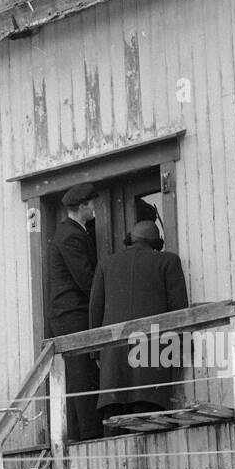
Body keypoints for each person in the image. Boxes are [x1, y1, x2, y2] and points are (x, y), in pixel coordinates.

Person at [89, 219, 189, 421]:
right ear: (156, 242)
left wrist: (96, 353)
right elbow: (180, 313)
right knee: (151, 428)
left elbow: (95, 310)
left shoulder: (106, 264)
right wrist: (182, 350)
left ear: (130, 239)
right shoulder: (168, 261)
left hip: (113, 366)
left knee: (114, 431)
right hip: (151, 363)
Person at [46, 182, 100, 440]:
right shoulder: (71, 235)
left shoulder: (72, 232)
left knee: (80, 374)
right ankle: (85, 435)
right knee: (81, 375)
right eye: (92, 204)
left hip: (71, 313)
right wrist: (104, 299)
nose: (95, 209)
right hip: (72, 314)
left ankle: (82, 432)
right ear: (82, 206)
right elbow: (85, 277)